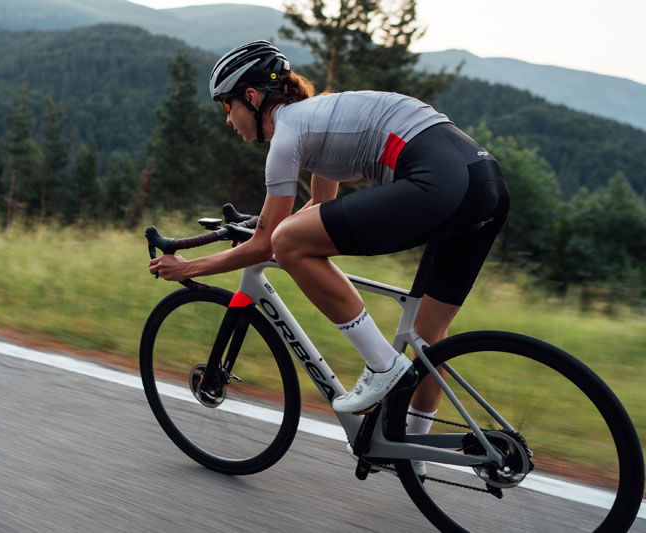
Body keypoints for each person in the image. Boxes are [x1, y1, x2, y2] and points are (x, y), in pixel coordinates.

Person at [148, 40, 509, 465]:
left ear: (252, 97)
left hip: (440, 183)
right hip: (485, 183)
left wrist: (189, 267)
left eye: (227, 105)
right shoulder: (316, 119)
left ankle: (382, 365)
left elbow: (271, 242)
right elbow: (318, 209)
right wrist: (260, 227)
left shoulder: (287, 135)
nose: (228, 119)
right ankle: (412, 450)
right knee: (428, 336)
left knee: (288, 244)